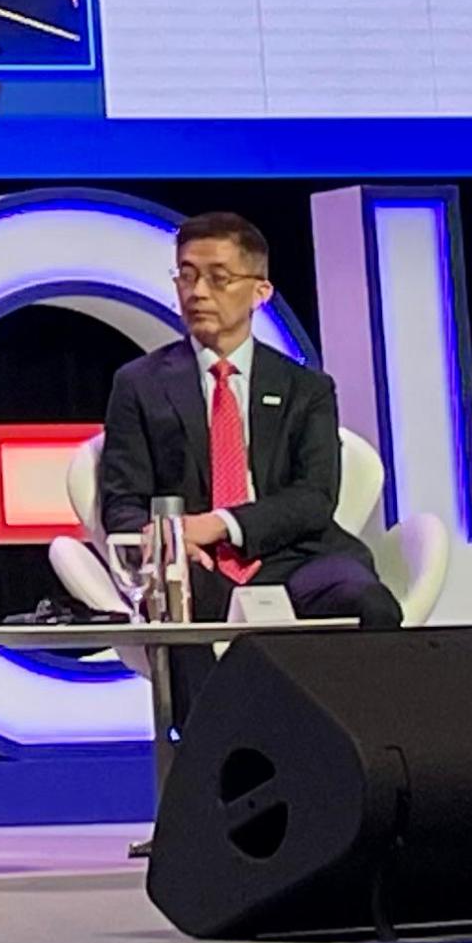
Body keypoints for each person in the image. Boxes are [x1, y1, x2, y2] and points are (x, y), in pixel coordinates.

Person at [99, 210, 399, 732]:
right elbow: (121, 500)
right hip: (195, 565)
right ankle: (217, 758)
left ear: (260, 292)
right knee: (177, 598)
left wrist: (218, 523)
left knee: (366, 600)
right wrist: (166, 540)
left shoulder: (307, 388)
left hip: (297, 558)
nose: (197, 291)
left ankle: (362, 752)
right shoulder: (140, 384)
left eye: (218, 277)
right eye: (186, 275)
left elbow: (314, 499)